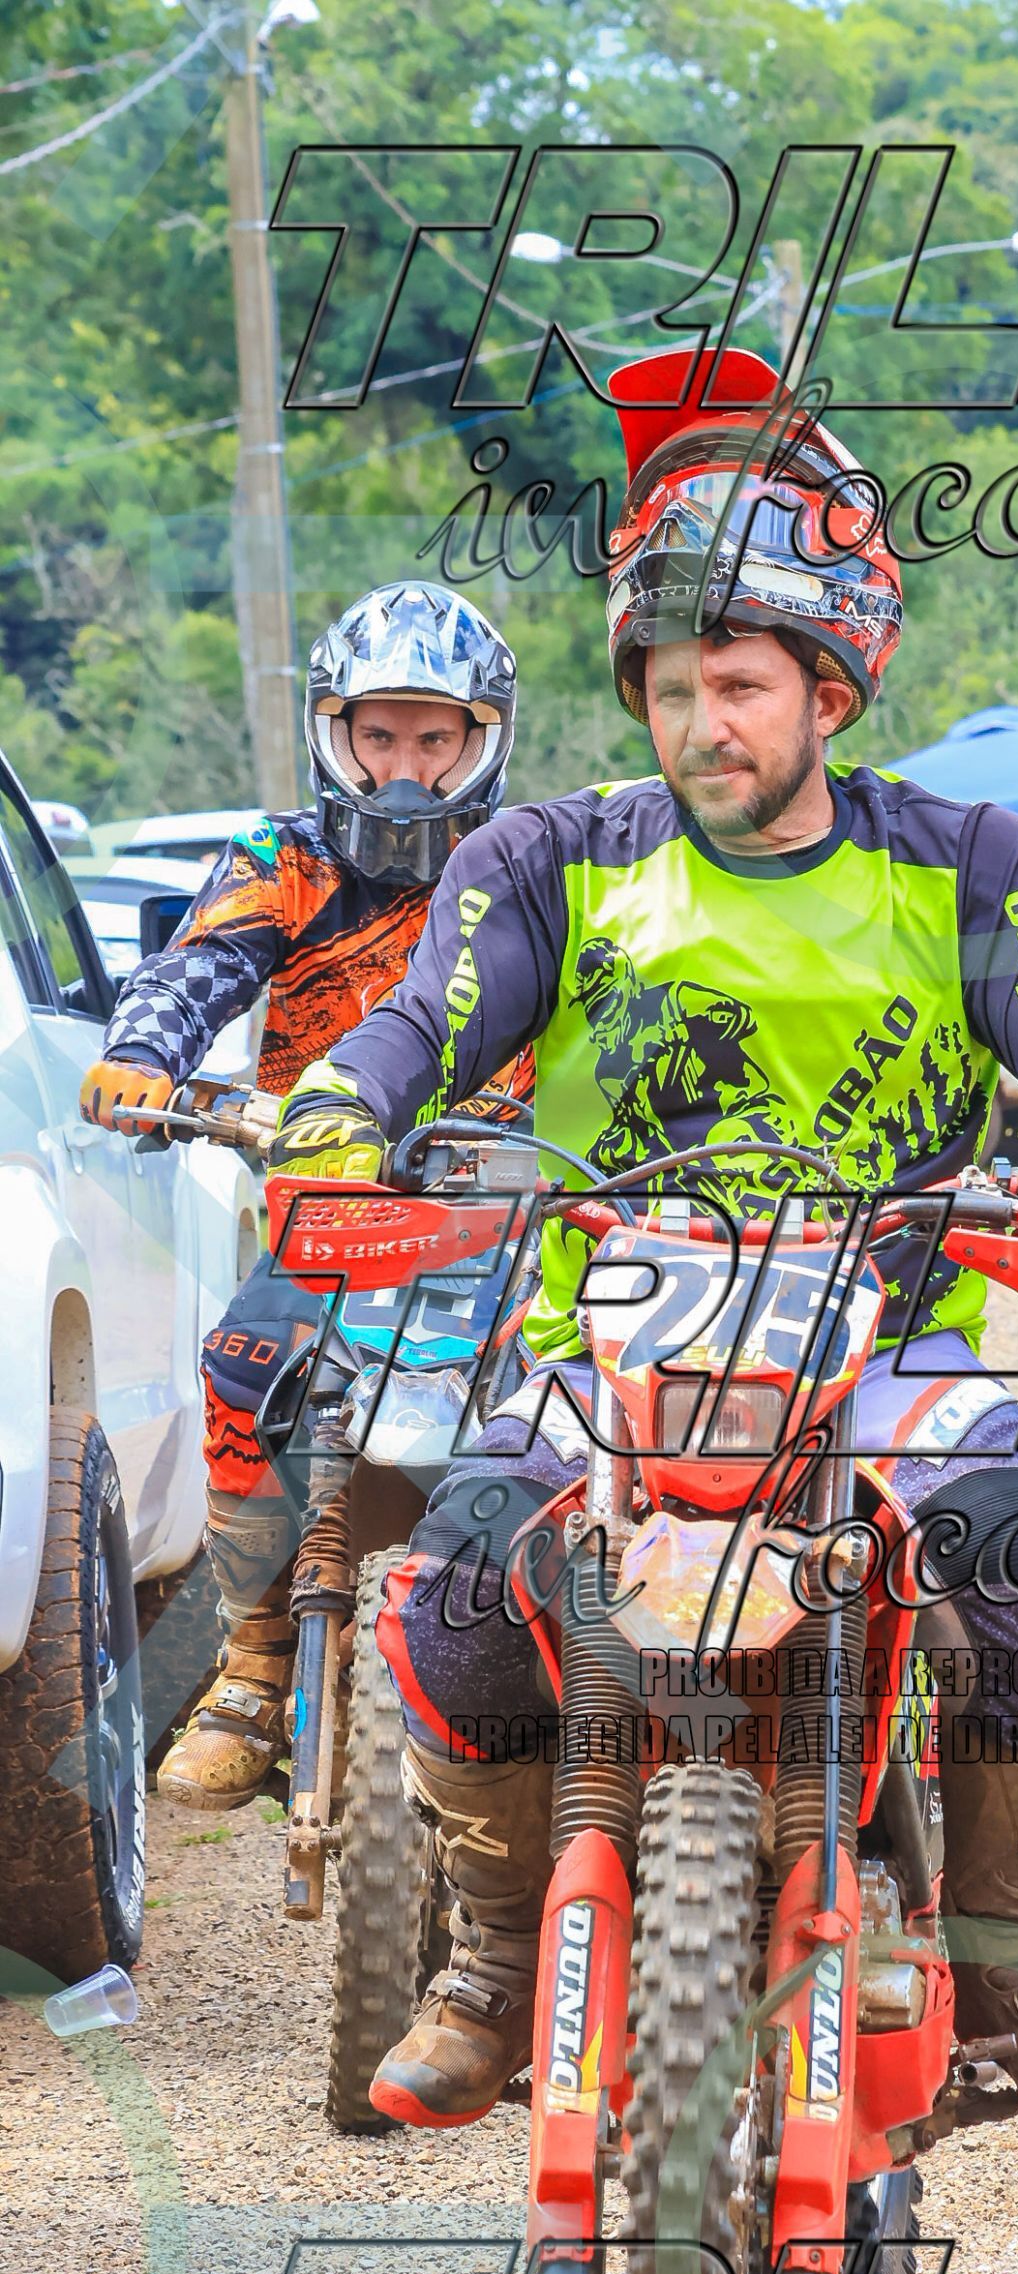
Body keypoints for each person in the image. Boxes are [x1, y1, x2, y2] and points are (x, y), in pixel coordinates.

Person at [267, 347, 1018, 2140]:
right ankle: (491, 1961)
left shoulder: (977, 862)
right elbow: (421, 1026)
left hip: (892, 1356)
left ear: (831, 691)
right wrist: (339, 1110)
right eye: (675, 687)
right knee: (453, 1599)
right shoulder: (546, 861)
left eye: (746, 685)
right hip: (599, 1358)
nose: (707, 723)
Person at [78, 580, 519, 1802]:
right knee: (242, 1367)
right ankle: (257, 1664)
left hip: (512, 1213)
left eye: (434, 739)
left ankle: (591, 1668)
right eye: (377, 736)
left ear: (483, 740)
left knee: (583, 1409)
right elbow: (199, 966)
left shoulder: (527, 859)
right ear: (332, 732)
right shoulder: (281, 858)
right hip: (330, 1208)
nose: (404, 770)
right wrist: (145, 1050)